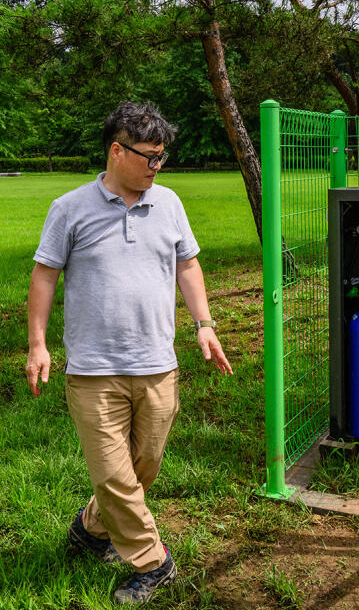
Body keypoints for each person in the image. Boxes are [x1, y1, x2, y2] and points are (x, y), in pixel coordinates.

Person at [25, 101, 232, 605]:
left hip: (158, 364)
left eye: (163, 157)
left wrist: (204, 324)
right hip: (94, 370)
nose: (157, 167)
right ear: (117, 151)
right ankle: (154, 561)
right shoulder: (70, 209)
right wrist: (38, 343)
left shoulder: (170, 204)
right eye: (150, 157)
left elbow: (188, 266)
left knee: (143, 467)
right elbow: (45, 275)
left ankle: (90, 528)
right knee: (115, 475)